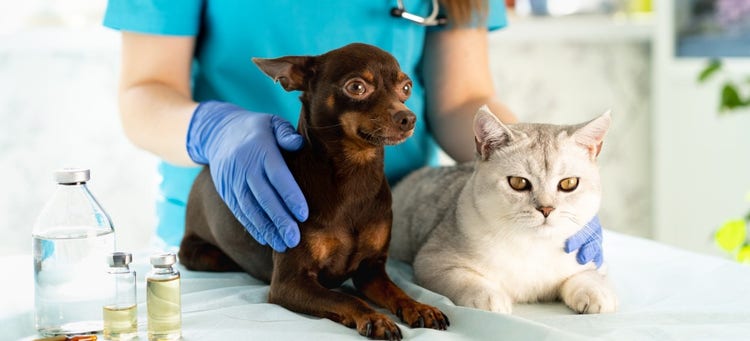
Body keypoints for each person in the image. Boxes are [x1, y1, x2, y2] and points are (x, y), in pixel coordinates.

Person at [103, 0, 603, 266]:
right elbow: (145, 92)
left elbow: (460, 100)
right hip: (232, 239)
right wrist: (212, 130)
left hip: (392, 234)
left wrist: (536, 166)